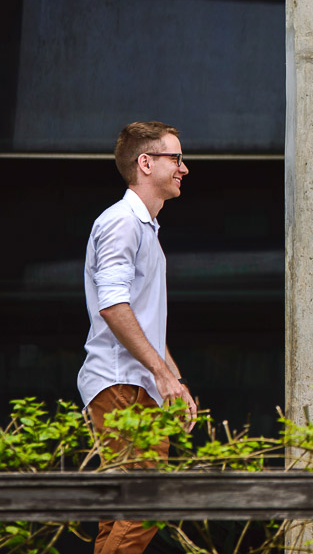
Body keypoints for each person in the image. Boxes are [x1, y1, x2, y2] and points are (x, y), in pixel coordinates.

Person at [77, 121, 198, 554]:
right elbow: (112, 306)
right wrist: (162, 377)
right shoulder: (122, 223)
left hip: (133, 381)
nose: (184, 168)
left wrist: (173, 380)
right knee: (146, 500)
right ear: (145, 163)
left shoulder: (145, 228)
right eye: (176, 158)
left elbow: (144, 320)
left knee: (122, 510)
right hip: (118, 380)